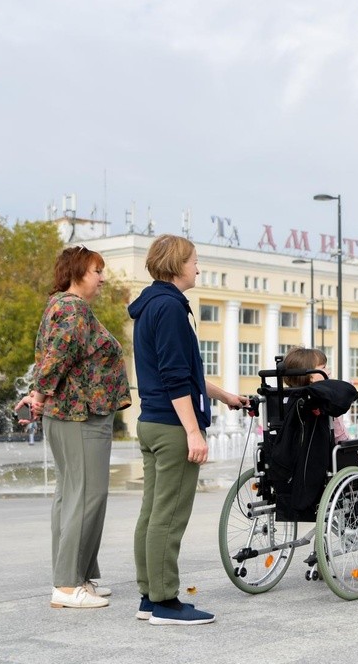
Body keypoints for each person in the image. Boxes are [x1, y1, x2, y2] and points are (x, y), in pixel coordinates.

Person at [129, 235, 247, 626]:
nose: (199, 267)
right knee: (169, 516)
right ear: (178, 264)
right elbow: (175, 378)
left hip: (151, 423)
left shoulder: (151, 306)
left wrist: (225, 396)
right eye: (195, 260)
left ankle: (149, 596)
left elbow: (185, 374)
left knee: (151, 513)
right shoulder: (170, 309)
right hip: (171, 426)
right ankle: (165, 602)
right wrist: (193, 432)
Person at [15, 245, 131, 609]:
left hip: (72, 414)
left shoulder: (61, 305)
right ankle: (67, 586)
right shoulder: (73, 308)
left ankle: (76, 576)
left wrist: (39, 395)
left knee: (71, 496)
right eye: (97, 271)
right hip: (80, 415)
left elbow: (56, 355)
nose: (102, 278)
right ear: (79, 272)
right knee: (85, 497)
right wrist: (38, 394)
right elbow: (59, 354)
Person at [281, 347, 350, 443]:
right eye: (323, 367)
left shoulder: (282, 399)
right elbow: (341, 438)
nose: (329, 371)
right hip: (325, 454)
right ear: (310, 376)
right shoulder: (323, 399)